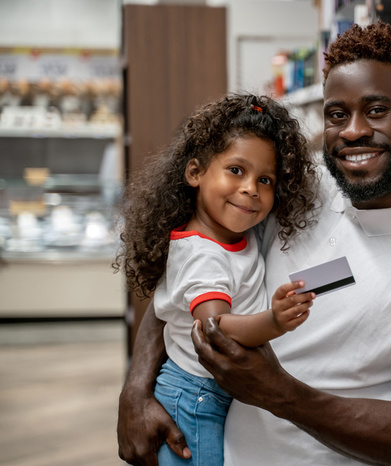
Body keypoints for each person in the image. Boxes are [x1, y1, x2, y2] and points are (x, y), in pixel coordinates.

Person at [118, 22, 391, 466]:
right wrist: (135, 389)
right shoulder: (296, 188)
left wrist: (281, 395)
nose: (352, 131)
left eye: (377, 110)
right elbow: (194, 269)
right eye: (337, 114)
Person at [114, 93, 318, 465]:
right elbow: (215, 326)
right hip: (194, 398)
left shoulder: (236, 233)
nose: (251, 188)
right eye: (236, 170)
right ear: (195, 173)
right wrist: (274, 320)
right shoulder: (202, 255)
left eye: (266, 179)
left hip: (205, 392)